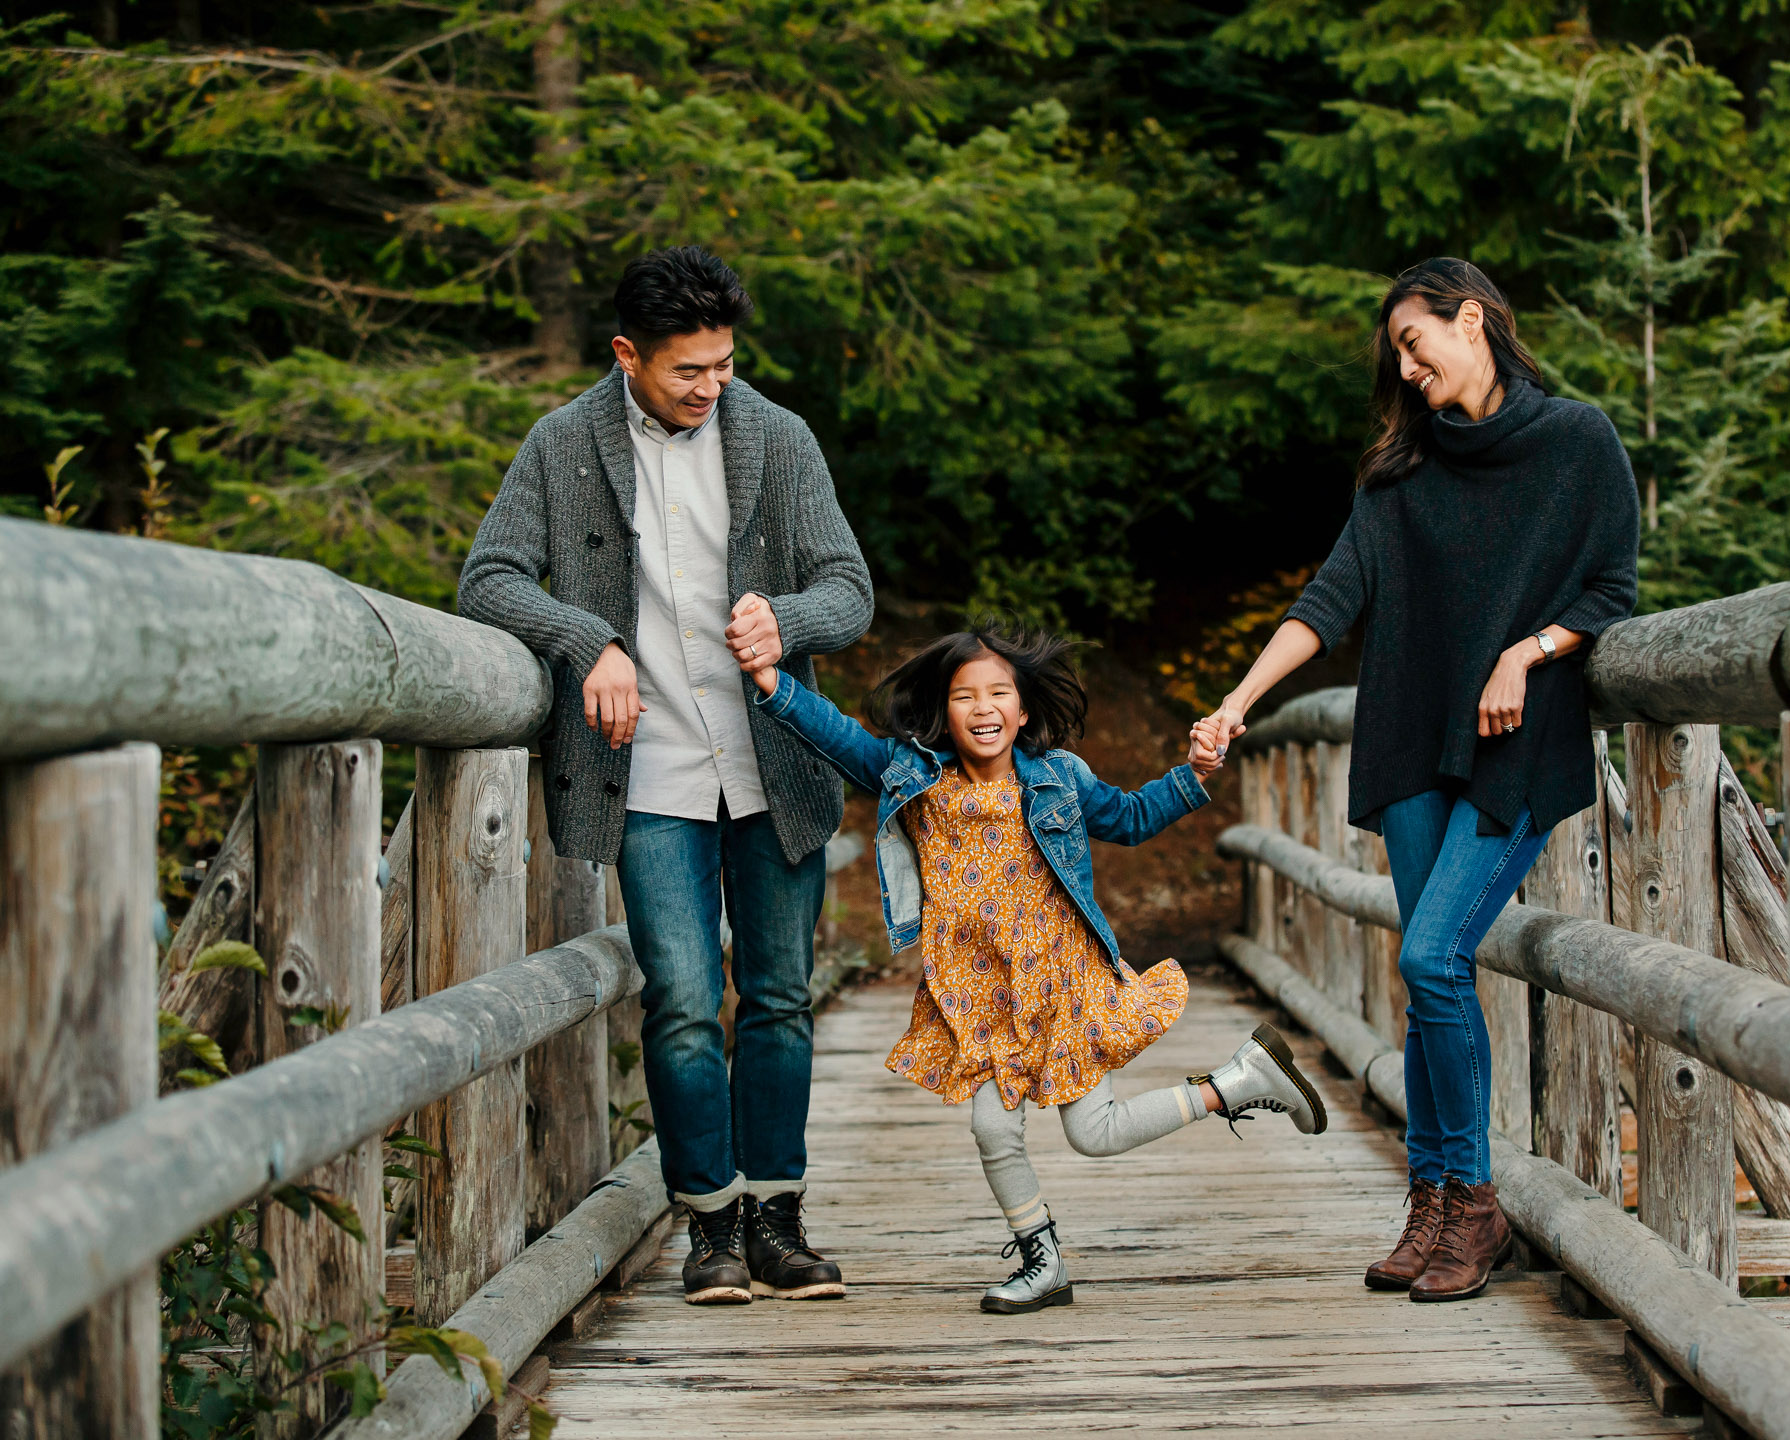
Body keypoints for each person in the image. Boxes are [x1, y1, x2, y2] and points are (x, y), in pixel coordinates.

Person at [1203, 258, 1639, 1303]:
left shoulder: (1577, 441)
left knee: (1438, 957)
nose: (1405, 366)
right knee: (1423, 972)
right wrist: (1236, 702)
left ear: (1474, 319)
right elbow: (1328, 599)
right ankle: (1432, 1199)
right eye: (1395, 352)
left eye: (1416, 340)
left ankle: (1475, 1206)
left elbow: (1613, 589)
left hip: (1511, 748)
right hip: (1409, 745)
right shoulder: (1399, 474)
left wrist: (1526, 651)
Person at [459, 246, 874, 1306]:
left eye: (725, 364)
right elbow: (490, 577)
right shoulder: (562, 443)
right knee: (684, 1002)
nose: (713, 386)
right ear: (628, 355)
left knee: (777, 998)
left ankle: (778, 1218)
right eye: (690, 370)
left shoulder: (778, 437)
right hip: (646, 777)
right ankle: (710, 1227)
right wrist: (583, 637)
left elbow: (850, 587)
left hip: (774, 767)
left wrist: (789, 616)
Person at [740, 623, 1328, 1314]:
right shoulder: (914, 775)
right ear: (942, 710)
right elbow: (840, 736)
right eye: (964, 696)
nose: (983, 707)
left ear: (1022, 710)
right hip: (981, 1000)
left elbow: (1133, 818)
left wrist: (1195, 774)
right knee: (993, 1129)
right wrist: (774, 684)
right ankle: (1042, 1260)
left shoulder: (1057, 778)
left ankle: (1236, 1083)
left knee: (1095, 1132)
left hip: (1061, 987)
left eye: (999, 693)